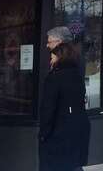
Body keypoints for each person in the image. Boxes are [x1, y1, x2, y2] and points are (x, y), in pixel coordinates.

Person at [39, 43, 90, 171]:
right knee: (73, 165)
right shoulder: (77, 76)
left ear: (59, 58)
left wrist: (43, 134)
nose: (50, 61)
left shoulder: (54, 78)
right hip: (78, 130)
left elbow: (48, 110)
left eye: (52, 58)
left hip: (59, 135)